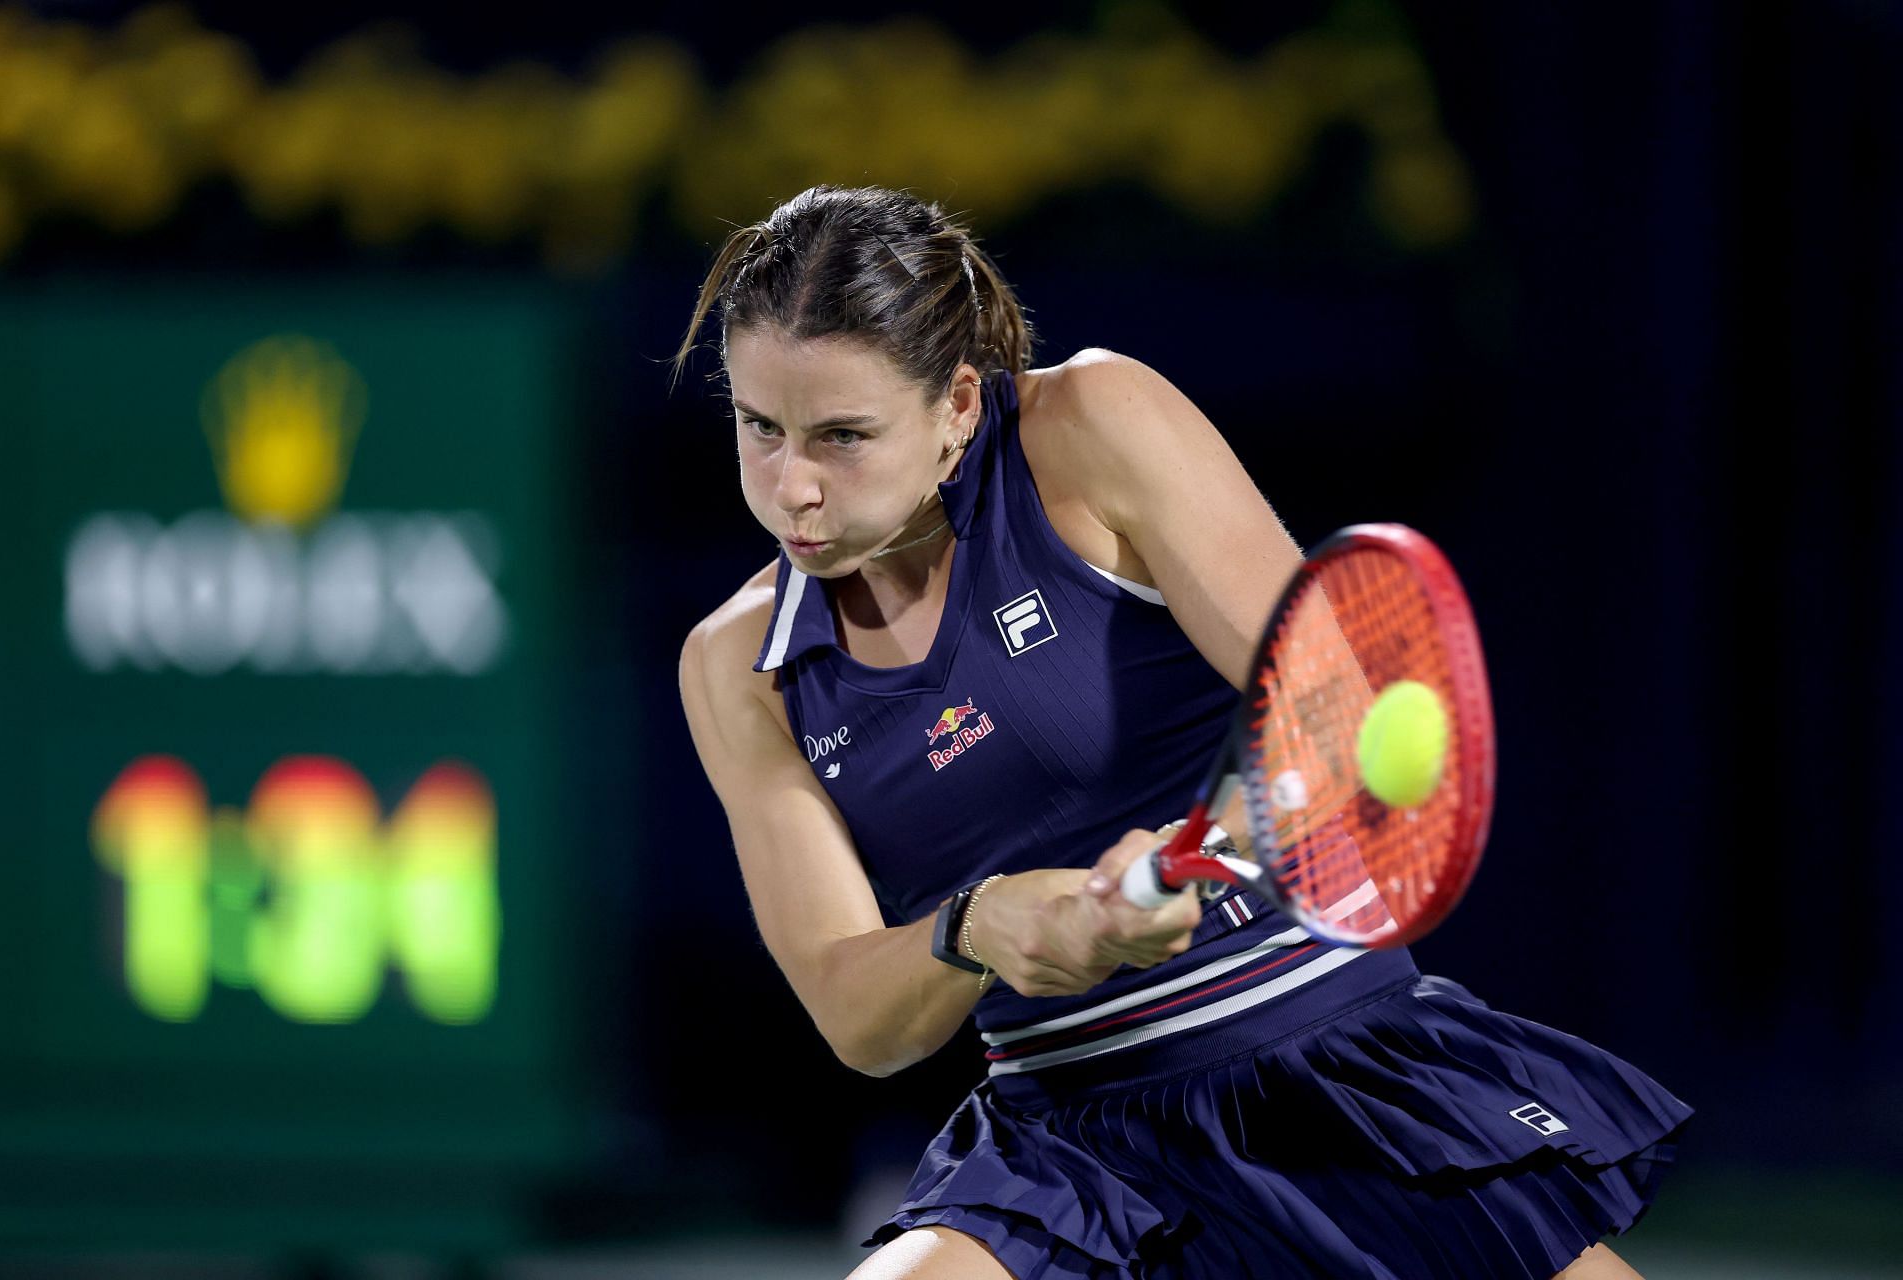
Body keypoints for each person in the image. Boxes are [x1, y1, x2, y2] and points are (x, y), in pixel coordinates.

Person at [675, 184, 1691, 1280]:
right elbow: (858, 1017)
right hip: (1064, 1145)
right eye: (759, 428)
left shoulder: (1095, 425)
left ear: (958, 402)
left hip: (1326, 1064)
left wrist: (1208, 848)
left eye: (843, 436)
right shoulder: (738, 664)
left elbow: (1328, 723)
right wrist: (973, 925)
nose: (794, 487)